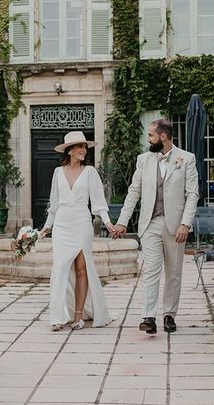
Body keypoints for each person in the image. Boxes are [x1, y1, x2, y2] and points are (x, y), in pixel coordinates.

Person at [112, 119, 198, 334]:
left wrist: (185, 224)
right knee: (151, 270)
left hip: (176, 225)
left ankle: (169, 315)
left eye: (150, 135)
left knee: (174, 273)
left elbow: (192, 194)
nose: (147, 139)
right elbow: (134, 191)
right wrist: (123, 221)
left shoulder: (186, 159)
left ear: (163, 136)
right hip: (149, 223)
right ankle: (148, 316)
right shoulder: (144, 160)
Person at [39, 131, 115, 331]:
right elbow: (53, 204)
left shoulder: (90, 172)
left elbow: (98, 202)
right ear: (70, 151)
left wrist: (107, 223)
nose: (84, 150)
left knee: (82, 268)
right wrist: (47, 227)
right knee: (60, 269)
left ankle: (78, 316)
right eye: (79, 147)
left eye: (84, 147)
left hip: (82, 223)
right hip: (62, 225)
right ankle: (56, 317)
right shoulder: (57, 172)